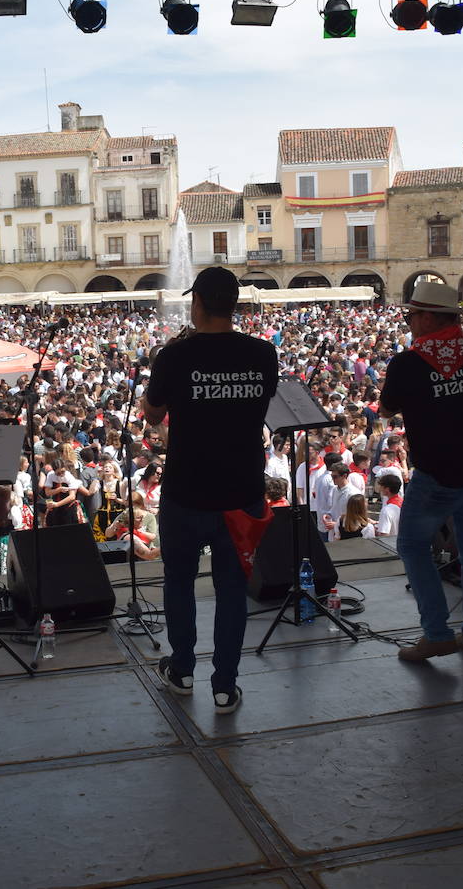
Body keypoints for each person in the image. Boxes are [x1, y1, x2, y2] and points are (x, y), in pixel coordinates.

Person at [142, 267, 278, 714]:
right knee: (232, 590)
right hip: (241, 492)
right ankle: (225, 686)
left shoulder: (175, 356)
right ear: (233, 305)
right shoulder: (263, 354)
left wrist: (170, 366)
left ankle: (181, 671)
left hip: (186, 491)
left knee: (179, 583)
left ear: (197, 303)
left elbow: (153, 416)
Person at [379, 282, 463, 663]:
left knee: (413, 546)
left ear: (431, 316)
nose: (409, 321)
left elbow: (386, 410)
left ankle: (437, 633)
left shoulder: (408, 363)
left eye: (413, 314)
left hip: (438, 473)